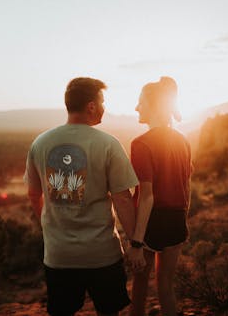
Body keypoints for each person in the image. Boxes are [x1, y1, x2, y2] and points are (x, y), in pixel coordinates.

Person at [24, 77, 139, 316]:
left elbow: (34, 194)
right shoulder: (108, 144)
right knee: (109, 312)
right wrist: (135, 244)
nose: (105, 108)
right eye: (103, 101)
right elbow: (123, 199)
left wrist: (51, 227)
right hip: (102, 255)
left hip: (59, 254)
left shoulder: (40, 143)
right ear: (91, 106)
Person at [127, 76, 193, 316]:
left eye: (140, 102)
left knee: (140, 284)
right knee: (166, 286)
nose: (136, 107)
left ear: (153, 106)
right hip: (177, 218)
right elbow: (186, 186)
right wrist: (183, 217)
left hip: (150, 221)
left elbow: (147, 197)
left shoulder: (141, 144)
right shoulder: (183, 141)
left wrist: (136, 241)